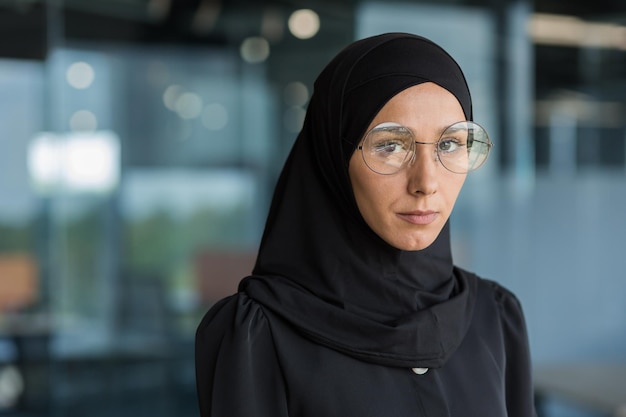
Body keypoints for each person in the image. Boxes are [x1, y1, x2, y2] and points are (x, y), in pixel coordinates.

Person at [195, 32, 536, 417]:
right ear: (333, 157)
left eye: (450, 144)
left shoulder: (495, 318)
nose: (426, 183)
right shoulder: (260, 335)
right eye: (390, 145)